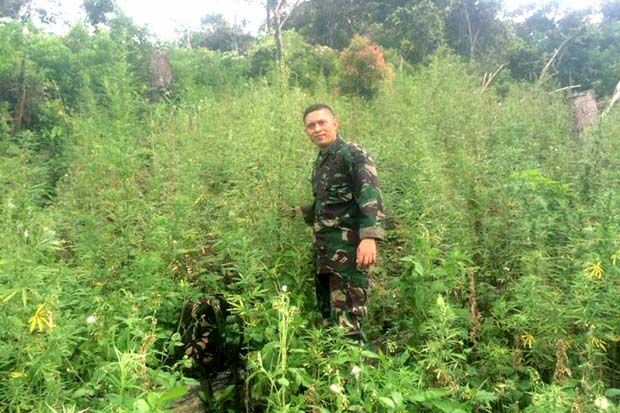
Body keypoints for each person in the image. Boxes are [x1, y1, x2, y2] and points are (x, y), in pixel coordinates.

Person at [292, 103, 385, 340]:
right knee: (330, 319)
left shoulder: (352, 154)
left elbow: (370, 195)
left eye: (322, 122)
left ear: (335, 123)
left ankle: (356, 374)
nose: (317, 128)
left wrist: (369, 238)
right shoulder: (321, 162)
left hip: (349, 255)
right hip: (325, 253)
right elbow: (329, 205)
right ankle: (336, 375)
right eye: (311, 125)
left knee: (348, 323)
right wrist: (296, 212)